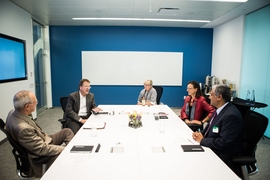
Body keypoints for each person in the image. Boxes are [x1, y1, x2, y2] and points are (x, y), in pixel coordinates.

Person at [6, 90, 74, 178]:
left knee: (67, 131)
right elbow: (42, 150)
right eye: (35, 102)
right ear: (27, 106)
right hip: (40, 154)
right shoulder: (24, 129)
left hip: (42, 140)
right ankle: (71, 155)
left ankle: (73, 153)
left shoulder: (13, 113)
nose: (37, 103)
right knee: (63, 155)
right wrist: (65, 149)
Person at [192, 84, 243, 177]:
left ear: (219, 97)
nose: (209, 97)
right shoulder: (220, 109)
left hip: (223, 154)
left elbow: (224, 142)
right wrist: (200, 134)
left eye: (211, 94)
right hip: (213, 146)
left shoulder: (231, 115)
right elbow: (210, 127)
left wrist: (202, 140)